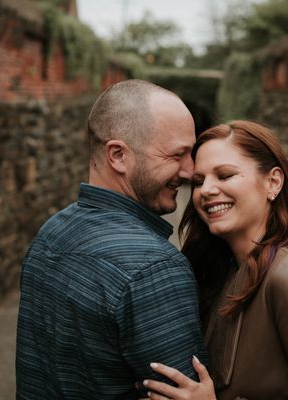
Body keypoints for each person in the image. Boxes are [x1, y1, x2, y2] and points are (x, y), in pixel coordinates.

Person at [142, 121, 288, 400]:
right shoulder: (221, 273)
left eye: (225, 175)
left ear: (273, 182)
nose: (206, 190)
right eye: (199, 181)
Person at [16, 79, 208, 400]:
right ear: (117, 155)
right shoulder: (154, 268)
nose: (190, 171)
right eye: (178, 155)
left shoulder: (51, 231)